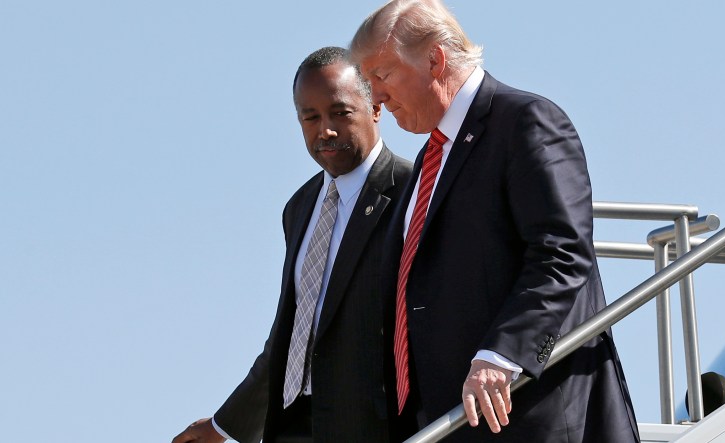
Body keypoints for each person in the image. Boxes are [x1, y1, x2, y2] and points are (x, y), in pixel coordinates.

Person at [349, 1, 640, 442]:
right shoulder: (428, 162)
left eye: (382, 76)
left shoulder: (525, 122)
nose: (376, 97)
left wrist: (502, 354)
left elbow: (561, 252)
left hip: (528, 414)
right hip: (445, 423)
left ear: (434, 59)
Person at [171, 46, 412, 443]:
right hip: (290, 428)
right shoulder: (299, 208)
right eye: (310, 117)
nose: (326, 130)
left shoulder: (413, 191)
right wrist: (224, 426)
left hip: (376, 428)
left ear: (375, 109)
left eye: (340, 112)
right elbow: (295, 334)